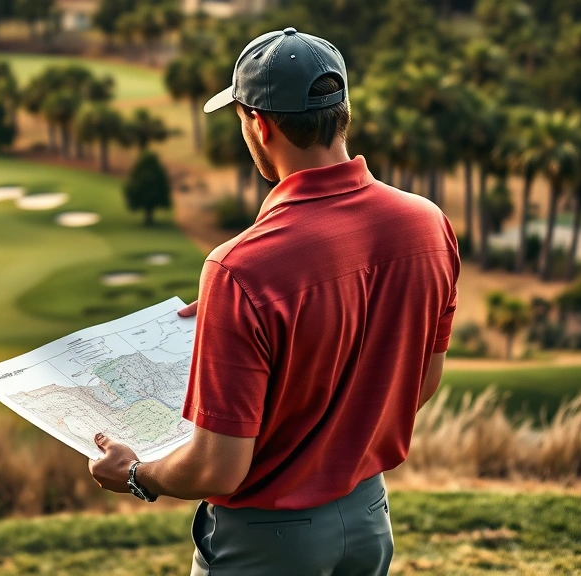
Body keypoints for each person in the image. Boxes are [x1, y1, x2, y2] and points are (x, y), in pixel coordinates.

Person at [87, 27, 460, 575]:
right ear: (343, 113)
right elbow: (420, 383)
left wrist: (139, 475)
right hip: (369, 520)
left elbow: (219, 469)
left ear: (259, 124)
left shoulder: (240, 267)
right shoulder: (428, 224)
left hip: (266, 545)